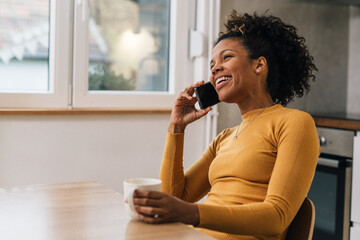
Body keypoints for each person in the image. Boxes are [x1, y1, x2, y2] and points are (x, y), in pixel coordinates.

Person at [130, 10, 320, 240]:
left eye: (226, 57)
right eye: (212, 64)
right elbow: (175, 199)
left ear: (259, 65)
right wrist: (176, 128)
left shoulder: (294, 123)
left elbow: (276, 217)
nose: (214, 68)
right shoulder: (224, 138)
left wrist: (193, 213)